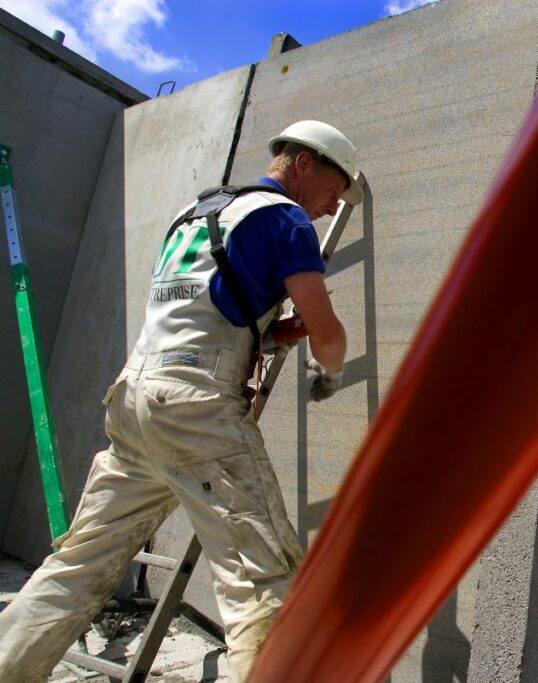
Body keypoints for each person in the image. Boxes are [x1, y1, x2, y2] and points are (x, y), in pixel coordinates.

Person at [0, 120, 362, 682]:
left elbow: (213, 311)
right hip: (197, 407)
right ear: (303, 164)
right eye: (333, 191)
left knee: (76, 565)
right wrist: (330, 371)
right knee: (261, 580)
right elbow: (329, 335)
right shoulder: (285, 218)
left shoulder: (196, 214)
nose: (329, 207)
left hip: (135, 398)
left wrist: (277, 330)